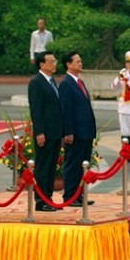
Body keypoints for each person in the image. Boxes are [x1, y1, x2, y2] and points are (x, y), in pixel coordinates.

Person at [59, 51, 96, 207]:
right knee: (72, 164)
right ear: (68, 64)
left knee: (83, 165)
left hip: (85, 131)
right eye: (77, 61)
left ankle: (79, 195)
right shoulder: (66, 83)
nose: (81, 63)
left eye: (81, 61)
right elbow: (66, 110)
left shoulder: (79, 82)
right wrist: (68, 132)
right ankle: (70, 196)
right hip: (75, 133)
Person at [28, 51, 63, 212]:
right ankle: (40, 201)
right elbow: (36, 109)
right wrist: (39, 132)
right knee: (43, 167)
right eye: (51, 61)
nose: (54, 64)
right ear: (42, 64)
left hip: (55, 132)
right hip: (45, 132)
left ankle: (48, 198)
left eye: (54, 61)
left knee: (51, 167)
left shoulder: (51, 81)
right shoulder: (36, 82)